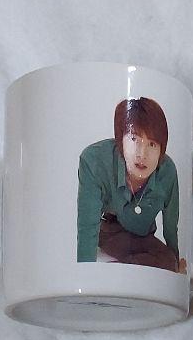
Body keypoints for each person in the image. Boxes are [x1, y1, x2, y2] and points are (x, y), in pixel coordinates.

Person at [76, 97, 184, 273]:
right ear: (120, 140)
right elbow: (87, 224)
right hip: (109, 230)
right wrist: (85, 276)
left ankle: (119, 272)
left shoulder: (167, 171)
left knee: (168, 262)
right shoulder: (94, 160)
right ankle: (116, 274)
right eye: (134, 139)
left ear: (161, 149)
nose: (142, 154)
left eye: (152, 144)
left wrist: (176, 269)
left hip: (142, 236)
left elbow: (171, 224)